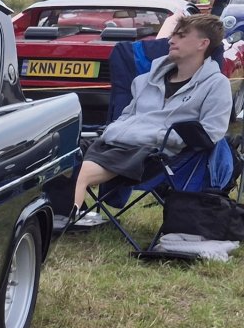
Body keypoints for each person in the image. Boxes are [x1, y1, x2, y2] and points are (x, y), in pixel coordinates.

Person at [70, 13, 231, 214]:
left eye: (181, 36)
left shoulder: (216, 84)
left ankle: (69, 219)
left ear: (202, 43)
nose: (171, 40)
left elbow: (211, 133)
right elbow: (127, 115)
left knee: (84, 172)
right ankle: (62, 214)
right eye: (173, 35)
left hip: (156, 156)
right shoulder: (145, 80)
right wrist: (113, 130)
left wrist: (163, 137)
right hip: (115, 142)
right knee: (60, 152)